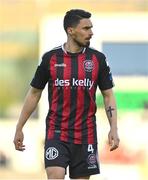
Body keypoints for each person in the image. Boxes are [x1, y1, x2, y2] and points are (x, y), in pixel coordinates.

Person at [13, 9, 120, 179]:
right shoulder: (51, 58)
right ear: (71, 30)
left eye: (91, 28)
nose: (91, 33)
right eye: (86, 28)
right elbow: (34, 93)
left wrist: (113, 128)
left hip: (86, 134)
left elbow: (108, 95)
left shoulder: (97, 59)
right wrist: (20, 127)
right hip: (56, 132)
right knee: (55, 175)